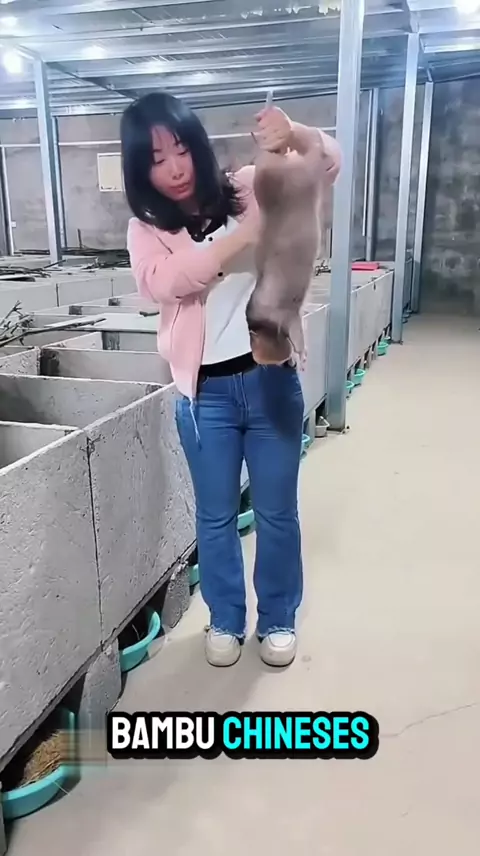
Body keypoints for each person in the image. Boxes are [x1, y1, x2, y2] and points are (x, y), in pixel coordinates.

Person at [121, 92, 341, 669]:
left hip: (269, 379)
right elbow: (166, 282)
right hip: (206, 397)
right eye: (156, 159)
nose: (174, 167)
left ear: (196, 144)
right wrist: (245, 236)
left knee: (277, 511)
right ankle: (225, 618)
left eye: (180, 150)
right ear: (140, 169)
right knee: (215, 516)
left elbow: (328, 162)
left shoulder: (247, 187)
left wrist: (294, 133)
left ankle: (278, 618)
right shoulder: (146, 230)